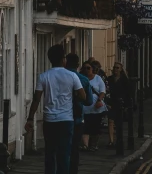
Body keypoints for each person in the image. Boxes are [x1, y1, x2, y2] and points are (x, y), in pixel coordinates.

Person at [25, 44, 86, 174]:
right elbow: (83, 96)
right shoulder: (72, 76)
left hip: (49, 120)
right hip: (66, 120)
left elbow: (36, 99)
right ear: (63, 59)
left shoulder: (43, 76)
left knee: (50, 153)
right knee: (64, 154)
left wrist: (30, 118)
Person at [66, 53, 93, 174]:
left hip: (60, 118)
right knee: (74, 149)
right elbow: (89, 101)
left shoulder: (58, 77)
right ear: (78, 65)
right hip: (77, 119)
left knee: (60, 148)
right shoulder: (83, 79)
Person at [81, 62, 107, 151]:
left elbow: (102, 91)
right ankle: (85, 145)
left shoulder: (98, 78)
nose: (86, 70)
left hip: (96, 107)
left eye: (88, 68)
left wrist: (99, 100)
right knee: (85, 127)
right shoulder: (81, 78)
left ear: (92, 69)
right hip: (84, 107)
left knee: (95, 127)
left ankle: (93, 145)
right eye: (84, 68)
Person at [107, 62, 132, 147]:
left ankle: (119, 141)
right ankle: (111, 141)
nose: (115, 69)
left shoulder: (124, 80)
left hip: (121, 103)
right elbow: (107, 91)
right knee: (110, 121)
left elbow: (128, 93)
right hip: (112, 102)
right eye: (114, 68)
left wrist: (126, 105)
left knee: (118, 123)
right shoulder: (109, 79)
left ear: (121, 69)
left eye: (117, 68)